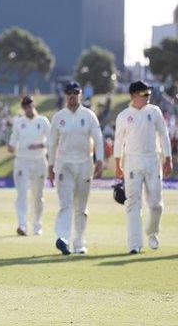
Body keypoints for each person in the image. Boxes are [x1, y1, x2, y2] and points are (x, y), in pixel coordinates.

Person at [114, 81, 172, 254]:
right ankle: (134, 244)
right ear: (133, 96)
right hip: (132, 161)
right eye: (144, 95)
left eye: (149, 94)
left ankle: (152, 232)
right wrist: (118, 164)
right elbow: (118, 141)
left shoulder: (154, 112)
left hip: (153, 160)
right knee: (133, 204)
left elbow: (163, 134)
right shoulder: (124, 115)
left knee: (156, 205)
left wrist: (167, 158)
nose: (148, 97)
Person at [48, 82, 104, 255]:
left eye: (75, 93)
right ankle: (63, 238)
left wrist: (100, 160)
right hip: (64, 164)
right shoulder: (59, 117)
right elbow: (52, 143)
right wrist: (50, 165)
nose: (72, 96)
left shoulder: (89, 116)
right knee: (65, 204)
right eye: (69, 93)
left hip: (85, 165)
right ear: (65, 95)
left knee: (81, 207)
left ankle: (79, 243)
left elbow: (98, 138)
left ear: (80, 94)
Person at [7, 96, 50, 236]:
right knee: (22, 194)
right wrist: (11, 146)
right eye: (25, 107)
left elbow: (51, 141)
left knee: (38, 195)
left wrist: (40, 145)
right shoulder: (19, 122)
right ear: (23, 108)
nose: (28, 109)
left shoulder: (43, 121)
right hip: (22, 161)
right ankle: (22, 225)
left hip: (39, 160)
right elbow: (13, 139)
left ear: (34, 105)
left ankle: (37, 225)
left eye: (30, 106)